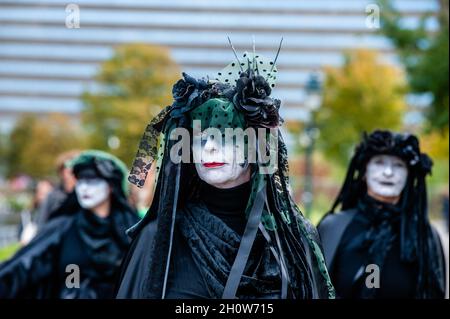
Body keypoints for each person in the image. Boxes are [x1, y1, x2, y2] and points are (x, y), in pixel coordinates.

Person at [116, 49, 335, 299]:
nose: (209, 147)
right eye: (199, 139)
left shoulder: (293, 240)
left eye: (224, 136)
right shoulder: (159, 239)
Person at [318, 130, 446, 299]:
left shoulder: (425, 236)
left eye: (398, 165)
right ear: (364, 172)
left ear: (409, 175)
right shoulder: (333, 227)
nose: (388, 172)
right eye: (379, 162)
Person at [0, 150, 139, 298]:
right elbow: (23, 265)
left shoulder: (131, 230)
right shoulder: (63, 227)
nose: (84, 187)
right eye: (80, 180)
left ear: (111, 186)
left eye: (92, 180)